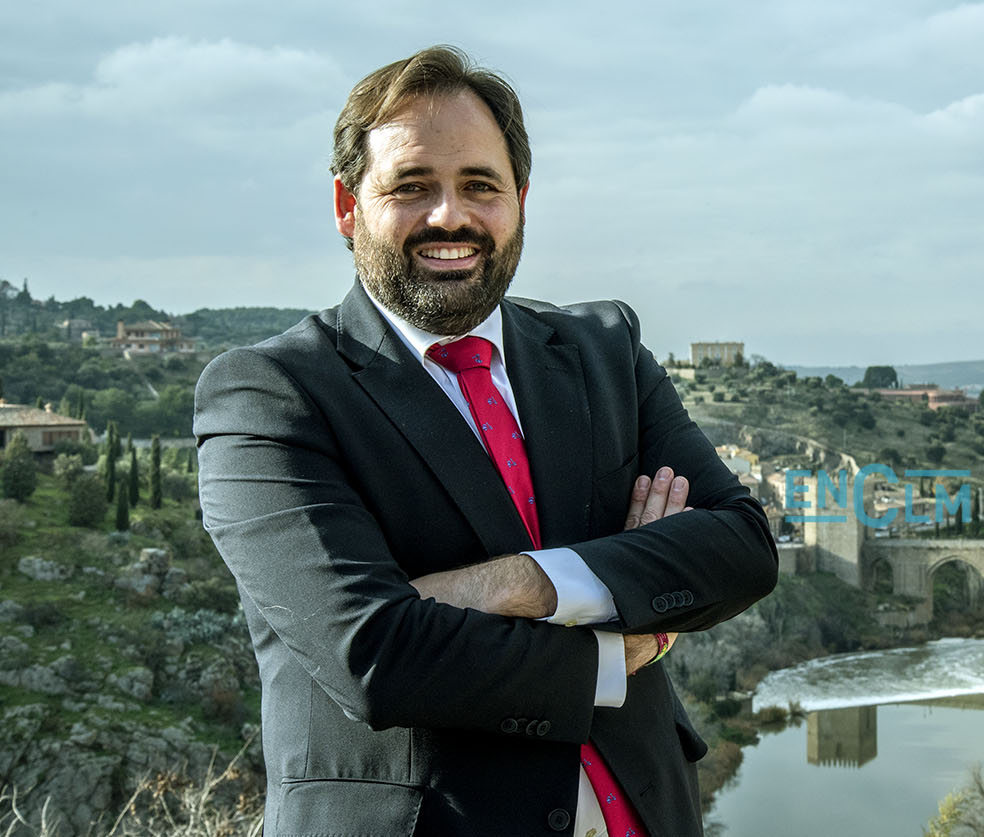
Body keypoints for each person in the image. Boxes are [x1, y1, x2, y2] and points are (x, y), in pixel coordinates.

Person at [194, 44, 777, 836]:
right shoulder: (269, 395)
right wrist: (617, 642)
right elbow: (375, 655)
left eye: (479, 185)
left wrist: (518, 583)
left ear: (520, 201)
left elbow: (740, 546)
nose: (450, 216)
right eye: (411, 186)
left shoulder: (603, 348)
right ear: (346, 205)